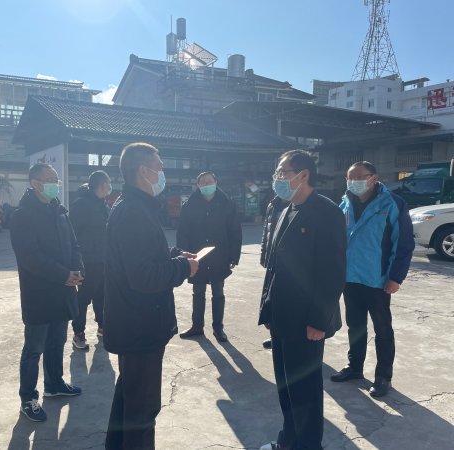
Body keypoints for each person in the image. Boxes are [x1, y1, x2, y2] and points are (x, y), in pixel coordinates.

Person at [104, 142, 198, 450]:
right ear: (143, 171)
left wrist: (174, 255)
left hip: (135, 323)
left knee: (129, 398)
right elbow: (143, 276)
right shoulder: (133, 212)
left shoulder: (136, 207)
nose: (162, 173)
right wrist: (183, 268)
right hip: (140, 325)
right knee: (142, 411)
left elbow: (142, 254)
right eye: (160, 168)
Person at [258, 150, 346, 450]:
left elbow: (333, 273)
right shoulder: (286, 209)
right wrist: (267, 310)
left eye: (283, 172)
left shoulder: (327, 212)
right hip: (282, 316)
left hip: (307, 320)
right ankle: (288, 441)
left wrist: (319, 321)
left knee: (305, 390)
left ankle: (308, 445)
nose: (278, 178)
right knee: (286, 385)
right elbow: (274, 267)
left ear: (303, 175)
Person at [330, 161, 414, 398]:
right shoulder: (344, 203)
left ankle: (383, 376)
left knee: (382, 329)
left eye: (360, 177)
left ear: (374, 178)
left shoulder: (393, 203)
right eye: (350, 177)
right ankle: (355, 367)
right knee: (355, 325)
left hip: (377, 279)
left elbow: (403, 243)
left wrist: (395, 277)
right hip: (350, 277)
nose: (354, 181)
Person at [9, 163, 84, 422]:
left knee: (57, 342)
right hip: (39, 292)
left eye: (56, 179)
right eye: (50, 179)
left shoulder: (60, 211)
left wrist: (78, 269)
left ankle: (54, 384)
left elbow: (74, 244)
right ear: (35, 183)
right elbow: (30, 257)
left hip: (64, 290)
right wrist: (63, 275)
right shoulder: (22, 216)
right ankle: (28, 398)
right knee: (34, 348)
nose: (56, 183)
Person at [176, 171, 242, 343]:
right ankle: (197, 326)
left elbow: (235, 231)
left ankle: (218, 328)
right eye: (203, 182)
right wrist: (183, 254)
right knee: (197, 292)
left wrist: (233, 256)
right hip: (196, 256)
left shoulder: (227, 204)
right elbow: (182, 232)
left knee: (218, 293)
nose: (206, 184)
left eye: (209, 181)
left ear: (216, 182)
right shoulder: (190, 205)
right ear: (198, 185)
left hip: (219, 256)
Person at [69, 170, 111, 350]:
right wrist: (75, 260)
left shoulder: (102, 204)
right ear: (102, 185)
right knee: (84, 297)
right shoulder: (81, 205)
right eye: (108, 183)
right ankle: (78, 332)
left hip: (103, 258)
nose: (110, 187)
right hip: (87, 259)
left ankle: (102, 326)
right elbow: (72, 234)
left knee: (102, 295)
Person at [259, 195, 288, 350]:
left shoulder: (296, 205)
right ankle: (274, 334)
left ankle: (285, 334)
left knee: (285, 300)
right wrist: (264, 252)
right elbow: (267, 231)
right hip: (272, 258)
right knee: (271, 299)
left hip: (289, 262)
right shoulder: (272, 205)